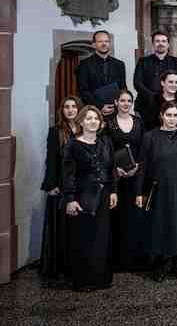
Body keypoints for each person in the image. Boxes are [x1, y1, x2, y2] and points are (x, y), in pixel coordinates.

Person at [135, 101, 177, 282]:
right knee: (159, 225)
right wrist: (139, 192)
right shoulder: (150, 137)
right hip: (158, 190)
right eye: (168, 115)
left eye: (175, 115)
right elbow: (142, 167)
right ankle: (160, 264)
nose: (172, 119)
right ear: (161, 115)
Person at [63, 106, 118, 291]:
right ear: (81, 122)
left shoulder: (106, 142)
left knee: (102, 237)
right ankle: (83, 281)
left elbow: (111, 169)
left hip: (103, 195)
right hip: (82, 196)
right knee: (83, 238)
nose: (92, 121)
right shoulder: (73, 145)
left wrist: (113, 191)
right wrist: (70, 198)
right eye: (88, 118)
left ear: (101, 122)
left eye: (96, 118)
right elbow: (68, 174)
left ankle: (101, 279)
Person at [39, 95, 81, 287]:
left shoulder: (85, 129)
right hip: (61, 185)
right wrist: (51, 184)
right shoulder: (55, 132)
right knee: (61, 228)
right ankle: (60, 267)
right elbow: (52, 160)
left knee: (76, 228)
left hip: (80, 185)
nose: (70, 110)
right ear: (61, 110)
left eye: (74, 106)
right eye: (66, 107)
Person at [106, 89, 147, 271]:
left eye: (128, 101)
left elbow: (143, 147)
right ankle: (119, 260)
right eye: (122, 100)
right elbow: (106, 150)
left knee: (135, 217)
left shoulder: (139, 122)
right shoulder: (108, 124)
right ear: (116, 102)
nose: (125, 104)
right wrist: (116, 169)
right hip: (117, 178)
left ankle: (136, 259)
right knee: (118, 218)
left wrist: (138, 166)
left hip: (136, 175)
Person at [133, 31, 177, 123]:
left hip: (172, 105)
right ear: (153, 44)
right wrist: (153, 97)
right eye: (157, 41)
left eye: (163, 41)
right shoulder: (143, 62)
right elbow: (137, 83)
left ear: (168, 44)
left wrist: (168, 98)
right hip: (146, 105)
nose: (160, 43)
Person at [76, 30, 127, 116]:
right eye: (100, 41)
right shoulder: (84, 64)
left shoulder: (119, 64)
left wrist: (122, 105)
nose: (104, 44)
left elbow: (123, 87)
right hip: (94, 111)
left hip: (116, 111)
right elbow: (83, 90)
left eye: (106, 41)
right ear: (94, 44)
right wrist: (100, 106)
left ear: (109, 43)